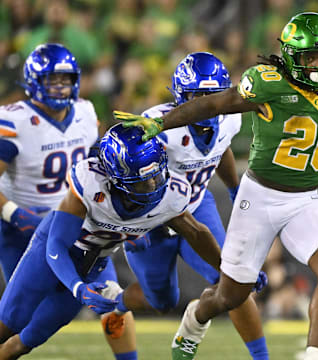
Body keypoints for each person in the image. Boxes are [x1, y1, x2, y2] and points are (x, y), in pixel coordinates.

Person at [114, 12, 318, 360]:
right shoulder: (268, 83)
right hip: (259, 198)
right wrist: (161, 122)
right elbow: (214, 104)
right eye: (310, 57)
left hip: (306, 198)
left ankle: (314, 354)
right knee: (231, 295)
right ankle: (196, 317)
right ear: (291, 58)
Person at [0, 123, 222, 359]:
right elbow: (56, 245)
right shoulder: (90, 182)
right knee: (10, 323)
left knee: (26, 342)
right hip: (52, 255)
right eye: (140, 181)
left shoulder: (172, 193)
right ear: (114, 177)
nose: (152, 186)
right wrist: (78, 288)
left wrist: (228, 270)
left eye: (156, 176)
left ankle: (116, 302)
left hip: (92, 266)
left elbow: (196, 233)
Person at [122, 52, 269, 360]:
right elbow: (124, 180)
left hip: (197, 206)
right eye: (197, 96)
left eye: (213, 94)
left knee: (233, 284)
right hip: (151, 221)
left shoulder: (230, 116)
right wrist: (130, 225)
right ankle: (115, 300)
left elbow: (222, 146)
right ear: (180, 96)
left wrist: (232, 188)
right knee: (162, 301)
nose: (206, 103)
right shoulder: (157, 127)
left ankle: (260, 357)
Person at [0, 43, 136, 360]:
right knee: (19, 317)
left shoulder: (86, 113)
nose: (60, 86)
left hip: (76, 225)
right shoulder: (13, 121)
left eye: (65, 79)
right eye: (52, 80)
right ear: (34, 81)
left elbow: (98, 169)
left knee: (111, 300)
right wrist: (13, 213)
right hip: (21, 228)